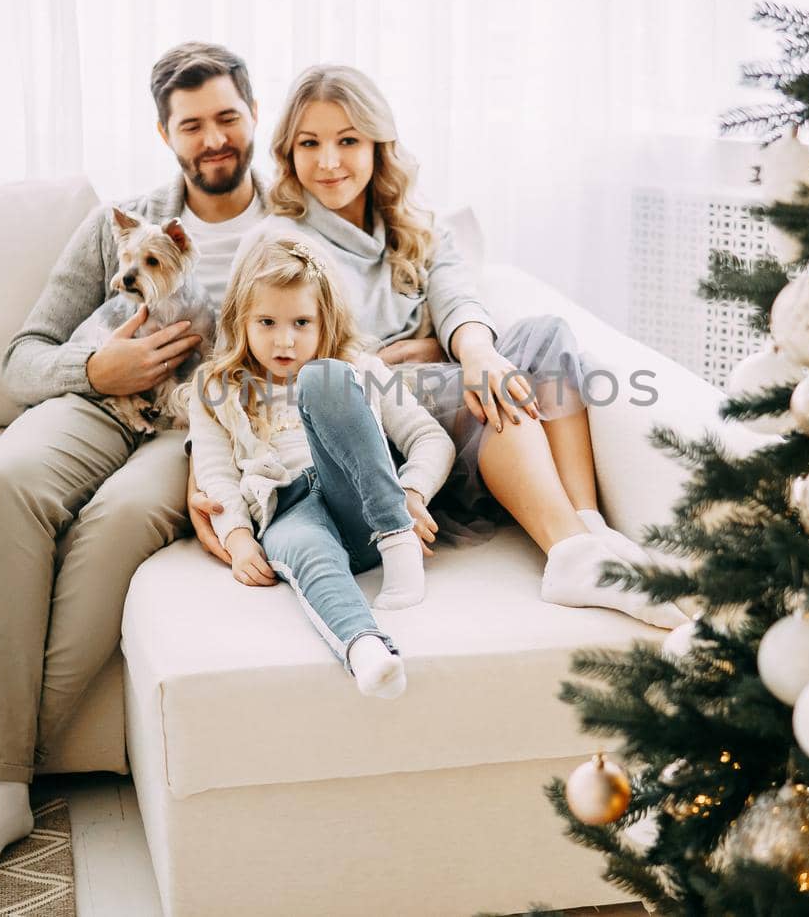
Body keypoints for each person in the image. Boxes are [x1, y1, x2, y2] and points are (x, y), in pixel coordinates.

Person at [0, 42, 268, 896]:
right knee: (4, 483)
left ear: (254, 119)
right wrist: (95, 369)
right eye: (192, 125)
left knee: (113, 525)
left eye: (227, 118)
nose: (212, 138)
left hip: (199, 423)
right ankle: (0, 781)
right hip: (98, 397)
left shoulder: (290, 224)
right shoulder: (124, 217)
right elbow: (20, 357)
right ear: (163, 133)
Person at [191, 64, 686, 631]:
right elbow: (240, 359)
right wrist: (206, 487)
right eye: (310, 144)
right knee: (493, 397)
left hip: (440, 387)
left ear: (379, 146)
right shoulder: (279, 240)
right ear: (288, 152)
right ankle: (571, 551)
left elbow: (458, 300)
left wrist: (470, 353)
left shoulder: (416, 226)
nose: (329, 161)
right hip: (374, 413)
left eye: (347, 141)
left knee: (542, 336)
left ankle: (588, 527)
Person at [186, 236, 454, 698]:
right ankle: (365, 649)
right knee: (306, 548)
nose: (284, 339)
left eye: (301, 322)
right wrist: (238, 537)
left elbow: (431, 439)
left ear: (325, 320)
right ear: (241, 321)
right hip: (288, 509)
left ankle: (398, 542)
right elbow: (216, 475)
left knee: (323, 377)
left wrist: (411, 494)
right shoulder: (216, 387)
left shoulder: (357, 367)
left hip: (364, 506)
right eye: (266, 322)